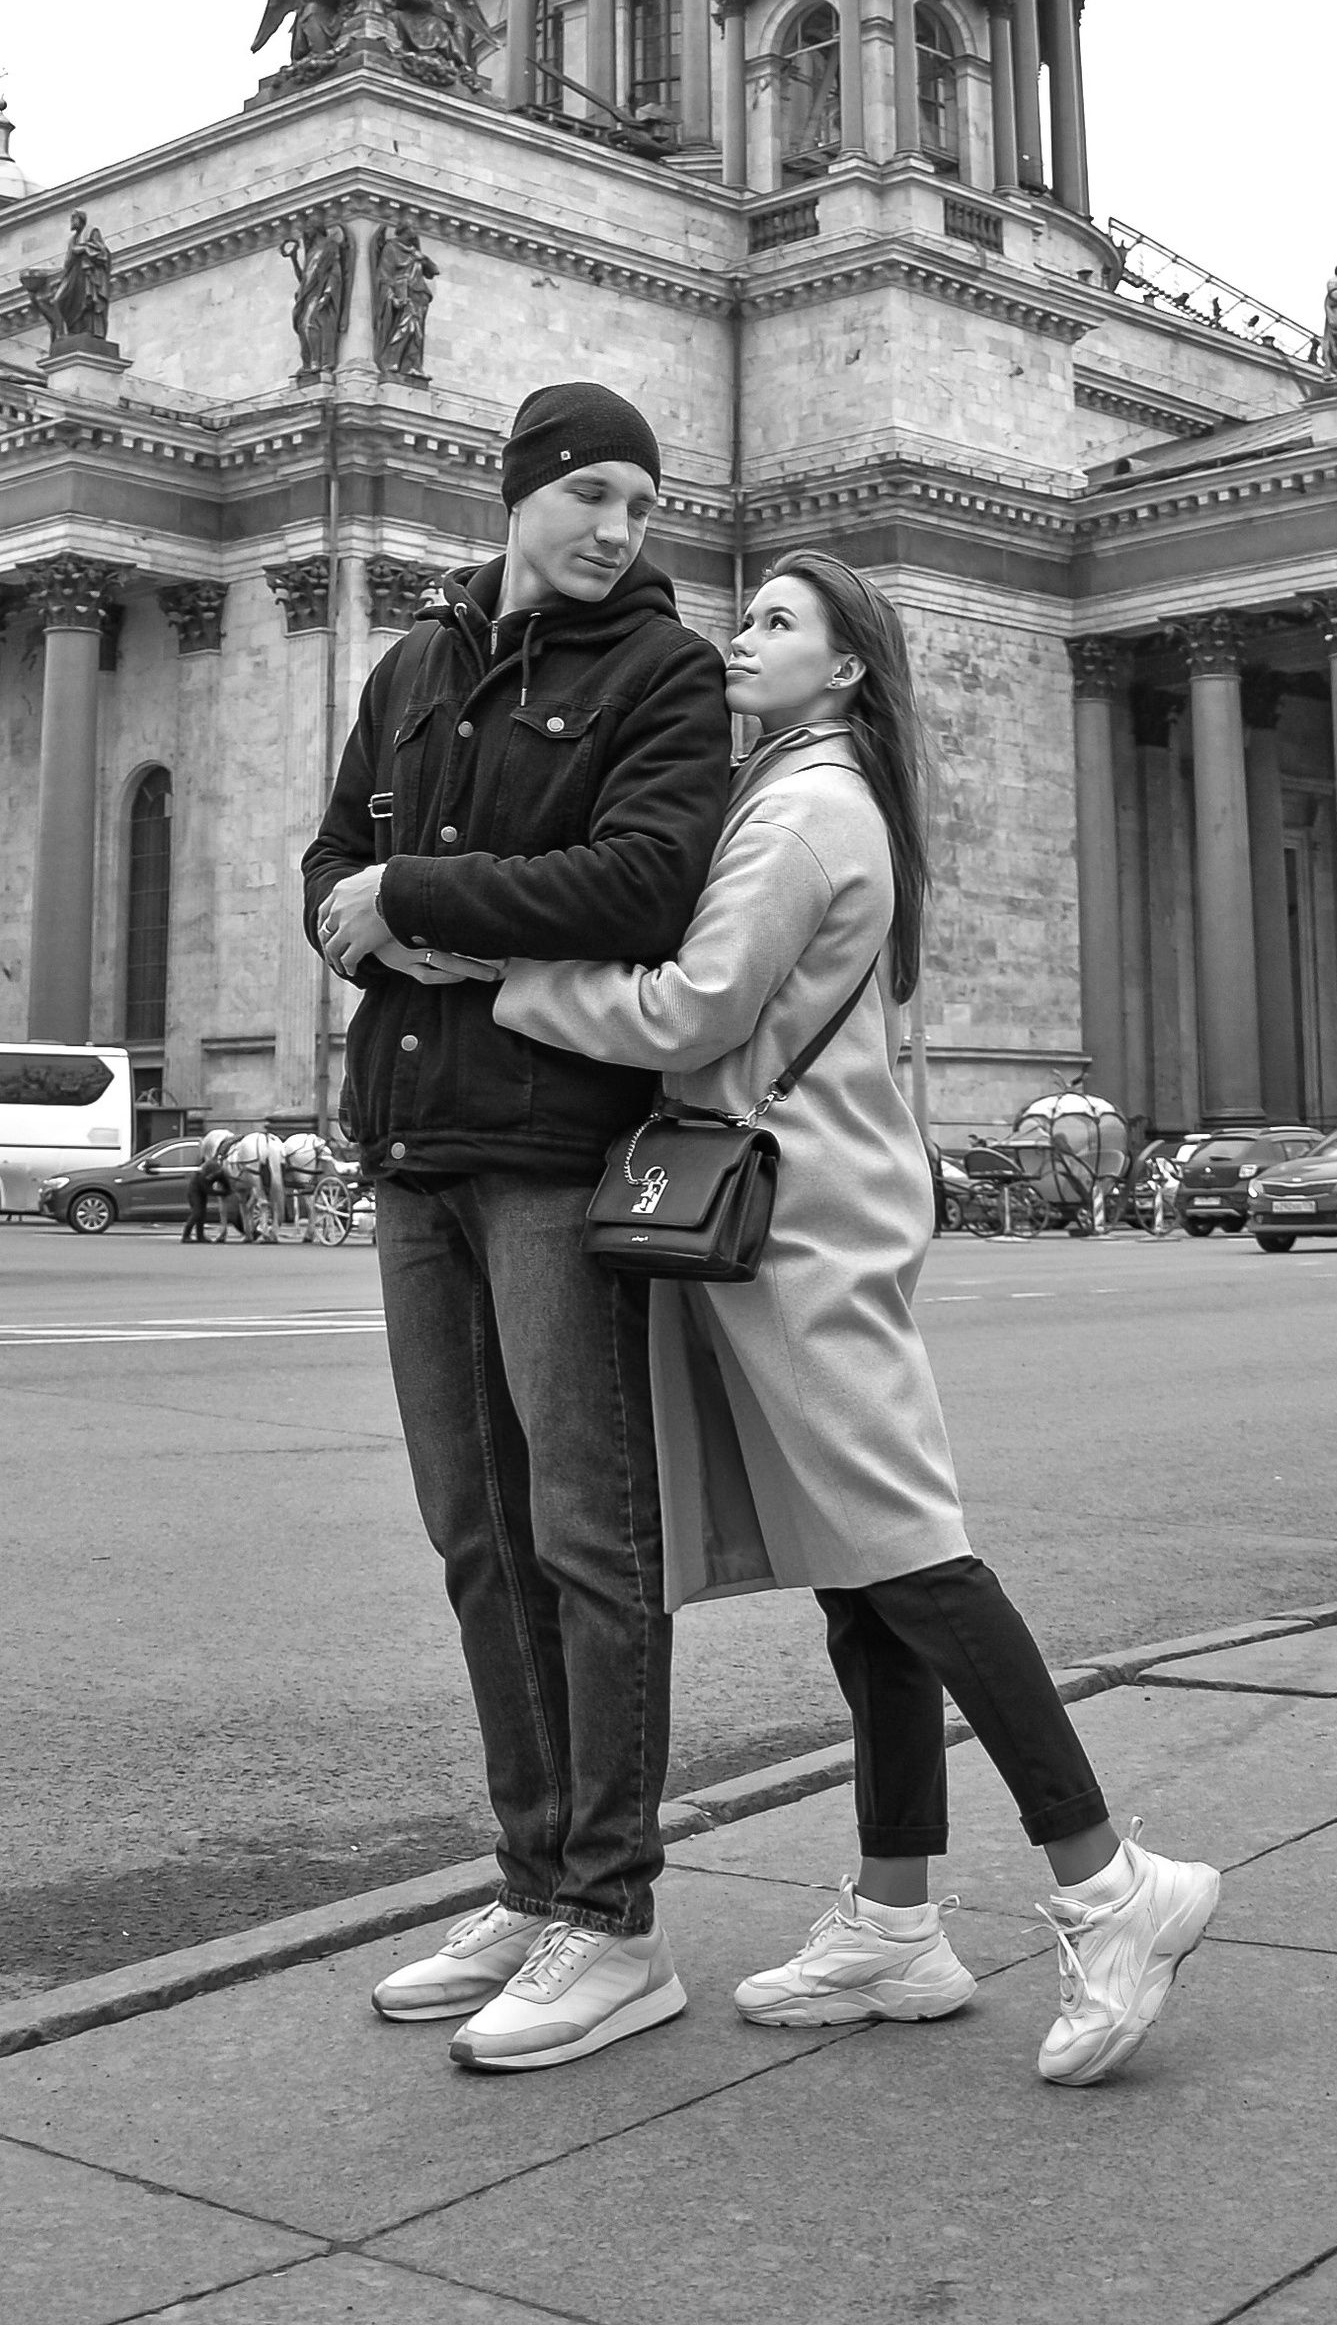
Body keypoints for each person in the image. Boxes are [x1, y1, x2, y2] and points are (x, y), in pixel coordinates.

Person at [492, 551, 1220, 2091]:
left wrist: (515, 983)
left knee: (911, 1554)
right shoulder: (818, 794)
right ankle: (897, 1920)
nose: (736, 640)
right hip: (813, 1203)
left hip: (802, 1224)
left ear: (840, 671)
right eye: (742, 614)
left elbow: (693, 1011)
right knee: (862, 1579)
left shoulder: (806, 807)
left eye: (772, 623)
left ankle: (1109, 1880)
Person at [301, 381, 732, 2071]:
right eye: (594, 496)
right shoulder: (412, 666)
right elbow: (332, 859)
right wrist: (366, 920)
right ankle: (533, 1875)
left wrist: (415, 905)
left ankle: (616, 1920)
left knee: (586, 1537)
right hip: (415, 1145)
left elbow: (645, 887)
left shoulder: (665, 673)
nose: (621, 531)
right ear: (521, 491)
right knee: (473, 1531)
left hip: (557, 1151)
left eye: (643, 502)